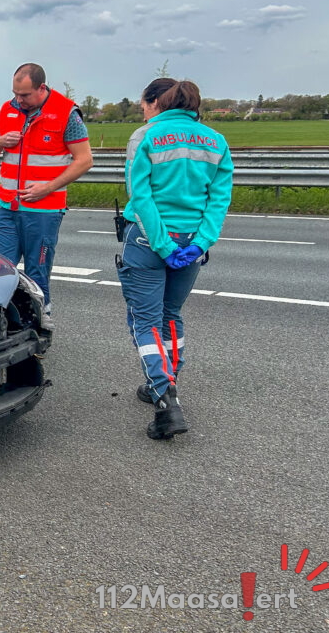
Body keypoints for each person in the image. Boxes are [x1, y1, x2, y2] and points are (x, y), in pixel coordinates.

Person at [117, 78, 233, 440]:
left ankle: (165, 398)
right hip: (192, 242)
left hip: (149, 239)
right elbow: (219, 197)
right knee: (171, 315)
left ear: (162, 102)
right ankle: (167, 381)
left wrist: (162, 243)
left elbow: (140, 196)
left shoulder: (149, 136)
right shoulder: (215, 140)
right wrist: (200, 243)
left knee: (145, 319)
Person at [0, 63, 93, 320]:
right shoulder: (8, 111)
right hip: (5, 207)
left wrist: (48, 187)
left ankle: (39, 326)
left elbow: (85, 160)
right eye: (15, 93)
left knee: (37, 273)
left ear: (41, 88)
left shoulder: (67, 113)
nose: (18, 100)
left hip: (44, 210)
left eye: (25, 95)